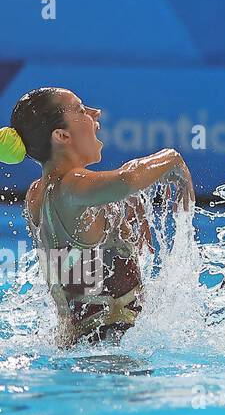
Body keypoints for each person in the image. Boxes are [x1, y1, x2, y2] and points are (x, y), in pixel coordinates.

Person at [3, 87, 194, 346]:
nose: (95, 113)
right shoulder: (71, 185)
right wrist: (171, 158)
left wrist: (125, 209)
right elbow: (128, 178)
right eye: (82, 110)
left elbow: (76, 262)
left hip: (78, 342)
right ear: (61, 135)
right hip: (110, 352)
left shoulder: (37, 193)